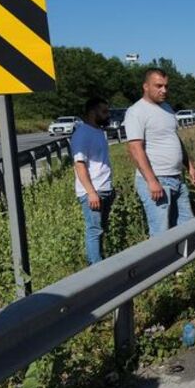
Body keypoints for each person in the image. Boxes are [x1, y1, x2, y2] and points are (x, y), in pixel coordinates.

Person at [125, 68, 195, 237]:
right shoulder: (136, 112)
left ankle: (186, 262)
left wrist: (190, 166)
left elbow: (174, 139)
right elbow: (136, 149)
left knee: (186, 225)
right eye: (158, 86)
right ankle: (159, 264)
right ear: (146, 86)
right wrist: (152, 181)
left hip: (176, 178)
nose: (164, 90)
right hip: (157, 179)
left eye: (166, 86)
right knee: (161, 233)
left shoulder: (167, 108)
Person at [72, 97, 113, 265]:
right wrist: (91, 192)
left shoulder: (98, 132)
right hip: (92, 192)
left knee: (100, 230)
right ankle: (96, 270)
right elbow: (79, 165)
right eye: (103, 111)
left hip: (104, 189)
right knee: (94, 230)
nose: (107, 115)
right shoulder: (82, 134)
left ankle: (99, 262)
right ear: (92, 112)